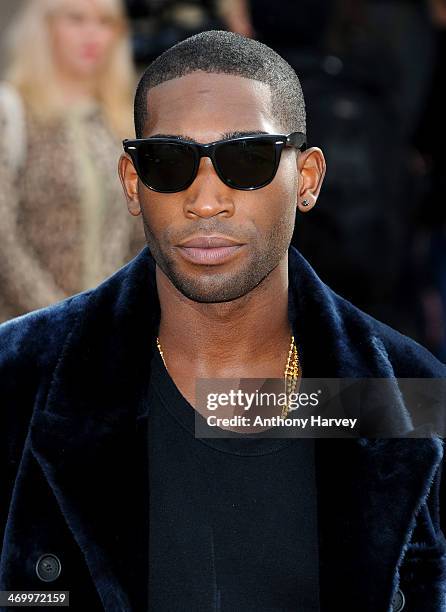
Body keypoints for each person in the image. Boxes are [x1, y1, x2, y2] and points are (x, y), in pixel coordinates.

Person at [0, 30, 445, 612]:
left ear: (306, 179)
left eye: (248, 159)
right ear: (133, 183)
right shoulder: (18, 377)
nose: (206, 200)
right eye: (169, 162)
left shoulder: (407, 396)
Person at [0, 0, 143, 323]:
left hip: (109, 332)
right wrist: (60, 320)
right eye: (76, 19)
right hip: (26, 339)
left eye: (105, 22)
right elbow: (4, 242)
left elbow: (139, 236)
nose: (91, 34)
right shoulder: (12, 111)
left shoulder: (123, 121)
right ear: (45, 27)